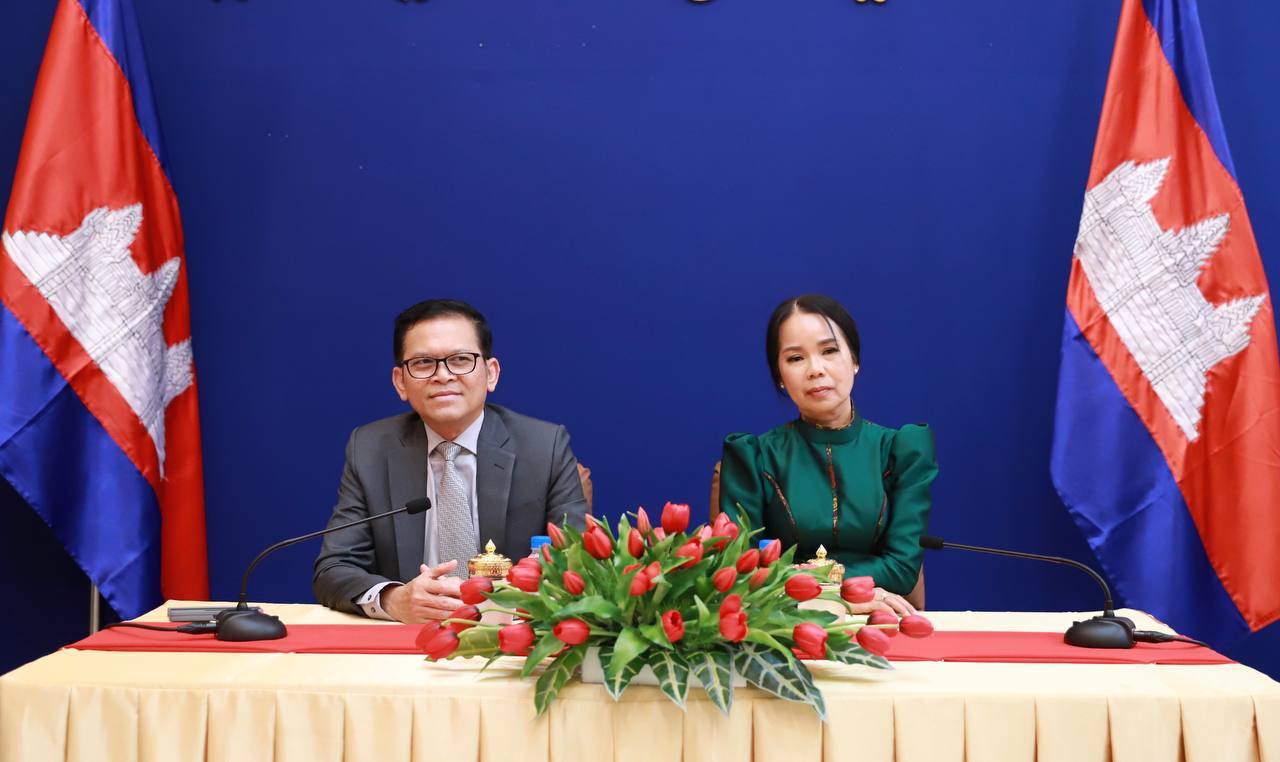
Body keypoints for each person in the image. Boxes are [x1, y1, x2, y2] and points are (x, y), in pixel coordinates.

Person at [313, 299, 589, 622]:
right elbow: (334, 568)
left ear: (491, 374)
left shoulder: (544, 447)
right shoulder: (369, 449)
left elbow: (577, 565)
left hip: (508, 637)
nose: (443, 375)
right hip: (409, 639)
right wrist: (394, 599)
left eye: (460, 360)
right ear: (400, 382)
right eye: (423, 363)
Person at [718, 294, 937, 616]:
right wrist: (832, 595)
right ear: (779, 376)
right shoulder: (754, 457)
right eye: (796, 358)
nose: (815, 370)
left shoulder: (899, 451)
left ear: (855, 360)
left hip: (880, 621)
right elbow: (741, 571)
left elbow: (903, 569)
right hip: (786, 623)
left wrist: (809, 581)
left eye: (830, 351)